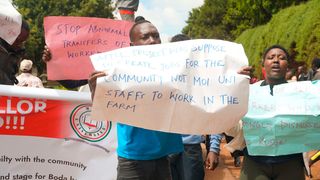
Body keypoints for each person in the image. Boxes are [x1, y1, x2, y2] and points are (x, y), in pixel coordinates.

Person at [89, 17, 183, 180]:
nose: (153, 41)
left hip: (162, 156)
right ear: (132, 45)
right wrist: (95, 89)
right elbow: (105, 111)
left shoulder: (174, 68)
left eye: (156, 36)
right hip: (132, 159)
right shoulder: (116, 71)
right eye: (145, 37)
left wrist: (234, 76)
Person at [240, 45, 305, 180]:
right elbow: (230, 120)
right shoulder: (248, 92)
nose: (276, 60)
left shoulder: (302, 93)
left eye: (282, 58)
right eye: (271, 57)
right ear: (263, 64)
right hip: (255, 162)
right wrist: (235, 83)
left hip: (291, 163)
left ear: (288, 65)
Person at [168, 34, 222, 180]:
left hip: (190, 149)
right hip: (163, 148)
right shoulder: (160, 78)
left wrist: (214, 148)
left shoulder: (203, 81)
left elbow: (214, 114)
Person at [0, 20, 30, 85]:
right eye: (17, 39)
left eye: (22, 41)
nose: (19, 45)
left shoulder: (18, 53)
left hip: (6, 91)